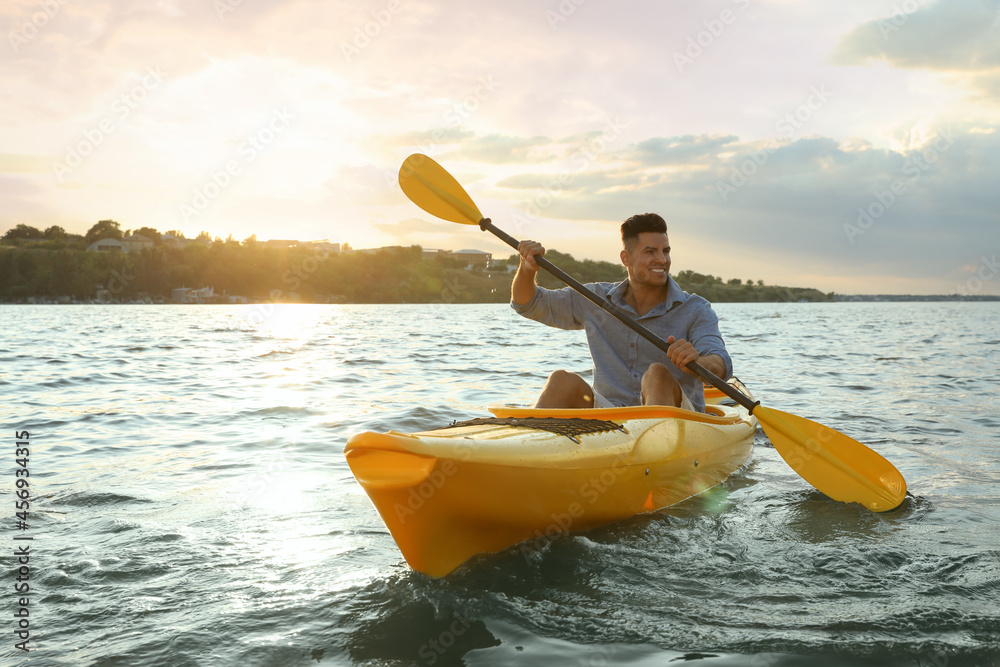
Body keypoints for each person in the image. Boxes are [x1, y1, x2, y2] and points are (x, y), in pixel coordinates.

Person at [510, 213, 731, 413]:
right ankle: (523, 449)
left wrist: (697, 362)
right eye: (650, 252)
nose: (662, 260)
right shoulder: (595, 298)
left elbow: (720, 364)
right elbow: (528, 304)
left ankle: (654, 449)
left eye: (665, 251)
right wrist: (527, 270)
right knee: (560, 380)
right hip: (611, 416)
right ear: (626, 258)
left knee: (656, 375)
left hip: (680, 418)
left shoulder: (695, 309)